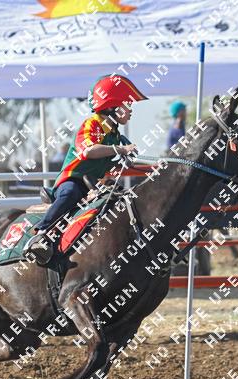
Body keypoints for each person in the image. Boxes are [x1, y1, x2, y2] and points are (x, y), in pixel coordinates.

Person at [24, 75, 147, 263]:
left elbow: (108, 161)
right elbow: (89, 151)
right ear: (112, 106)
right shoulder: (93, 124)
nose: (130, 110)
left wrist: (123, 159)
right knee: (70, 194)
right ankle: (40, 234)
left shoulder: (115, 134)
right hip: (73, 180)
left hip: (93, 185)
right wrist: (120, 150)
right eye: (127, 105)